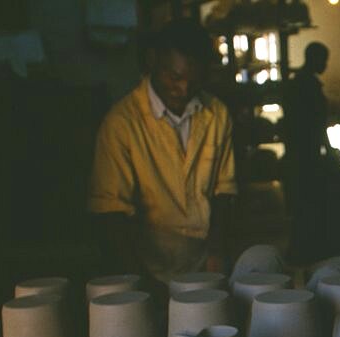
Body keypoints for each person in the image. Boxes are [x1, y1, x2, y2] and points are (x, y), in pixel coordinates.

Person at [88, 19, 236, 285]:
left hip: (204, 264)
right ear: (153, 61)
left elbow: (224, 190)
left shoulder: (217, 114)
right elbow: (111, 213)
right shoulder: (122, 124)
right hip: (147, 266)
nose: (183, 89)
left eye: (194, 81)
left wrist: (217, 252)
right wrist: (138, 284)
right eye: (175, 77)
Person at [282, 42, 332, 265]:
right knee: (307, 206)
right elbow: (315, 126)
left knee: (302, 208)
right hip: (306, 156)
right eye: (324, 60)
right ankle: (304, 254)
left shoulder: (296, 84)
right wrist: (328, 151)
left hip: (296, 155)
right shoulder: (308, 86)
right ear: (314, 59)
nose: (325, 65)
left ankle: (301, 252)